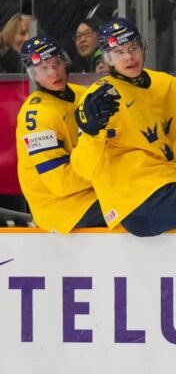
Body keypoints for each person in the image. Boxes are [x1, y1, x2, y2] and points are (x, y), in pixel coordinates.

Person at [72, 18, 176, 236]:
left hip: (169, 184)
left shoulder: (168, 85)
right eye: (119, 52)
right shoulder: (99, 97)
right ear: (107, 59)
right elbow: (84, 168)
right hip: (133, 199)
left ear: (142, 47)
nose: (129, 57)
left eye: (133, 48)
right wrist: (91, 133)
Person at [16, 36, 105, 232]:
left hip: (92, 191)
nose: (54, 72)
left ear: (65, 62)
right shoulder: (36, 116)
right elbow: (61, 183)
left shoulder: (81, 94)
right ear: (34, 76)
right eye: (43, 69)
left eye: (56, 63)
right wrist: (107, 172)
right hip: (60, 207)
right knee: (132, 206)